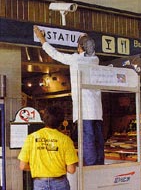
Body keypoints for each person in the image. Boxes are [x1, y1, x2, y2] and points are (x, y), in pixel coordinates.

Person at [34, 25, 104, 165]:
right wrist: (83, 38)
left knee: (88, 139)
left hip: (85, 110)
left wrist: (41, 38)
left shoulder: (76, 59)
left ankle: (90, 169)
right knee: (98, 140)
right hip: (97, 111)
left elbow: (55, 54)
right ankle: (98, 166)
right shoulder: (95, 60)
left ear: (80, 48)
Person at [18, 105, 78, 190]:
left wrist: (37, 167)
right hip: (60, 184)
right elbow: (71, 169)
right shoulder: (65, 140)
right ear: (61, 122)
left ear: (44, 119)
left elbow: (23, 166)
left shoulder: (31, 138)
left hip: (40, 185)